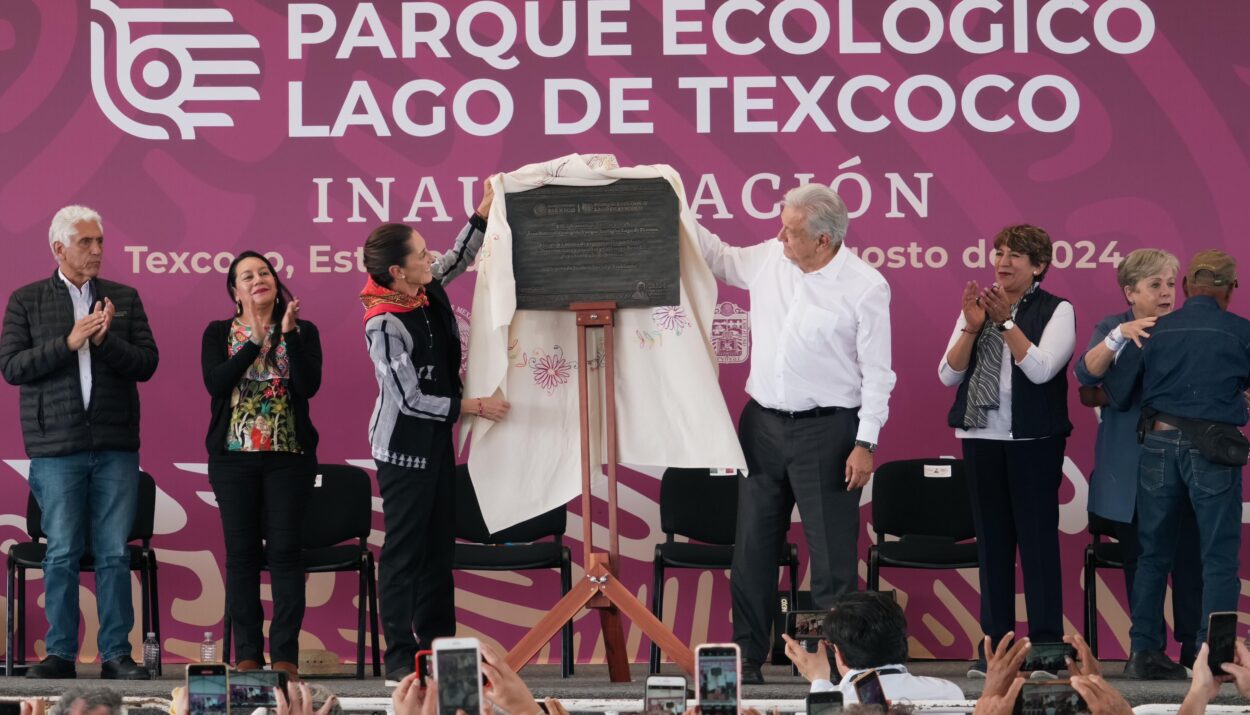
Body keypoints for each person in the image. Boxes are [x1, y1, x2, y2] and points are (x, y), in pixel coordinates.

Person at [693, 183, 896, 685]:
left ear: (823, 240)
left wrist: (865, 443)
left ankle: (836, 667)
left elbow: (878, 374)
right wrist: (672, 200)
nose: (779, 236)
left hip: (830, 432)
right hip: (761, 425)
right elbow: (717, 256)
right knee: (753, 550)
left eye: (791, 231)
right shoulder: (769, 259)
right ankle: (746, 660)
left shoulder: (865, 286)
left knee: (832, 560)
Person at [0, 205, 158, 680]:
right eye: (86, 242)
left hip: (115, 445)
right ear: (59, 248)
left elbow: (147, 364)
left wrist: (106, 340)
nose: (96, 250)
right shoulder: (25, 300)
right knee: (62, 549)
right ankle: (61, 654)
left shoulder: (123, 297)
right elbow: (12, 367)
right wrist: (69, 342)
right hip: (56, 447)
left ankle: (116, 655)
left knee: (113, 551)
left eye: (100, 242)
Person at [362, 180, 510, 684]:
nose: (432, 259)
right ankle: (401, 656)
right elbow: (408, 400)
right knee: (404, 552)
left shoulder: (423, 290)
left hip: (436, 444)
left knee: (437, 550)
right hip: (403, 451)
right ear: (397, 271)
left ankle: (439, 647)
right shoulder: (383, 323)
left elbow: (457, 258)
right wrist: (475, 406)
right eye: (421, 255)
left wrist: (481, 214)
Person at [1106, 250, 1250, 678]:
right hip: (1215, 451)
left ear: (1185, 287)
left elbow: (1116, 393)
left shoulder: (1154, 330)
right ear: (1229, 290)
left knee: (1152, 554)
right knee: (1218, 555)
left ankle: (1143, 653)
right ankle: (1215, 657)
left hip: (1157, 445)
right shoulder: (1241, 332)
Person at [938, 225, 1075, 676]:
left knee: (1036, 545)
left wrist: (1007, 323)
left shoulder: (1058, 310)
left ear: (1038, 266)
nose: (1004, 261)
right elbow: (947, 374)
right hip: (981, 439)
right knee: (992, 547)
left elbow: (1041, 371)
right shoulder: (978, 308)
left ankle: (1048, 650)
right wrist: (972, 329)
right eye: (999, 252)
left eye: (1017, 254)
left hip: (1034, 443)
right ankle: (994, 649)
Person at [1073, 248, 1201, 676]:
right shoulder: (1112, 327)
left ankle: (1193, 644)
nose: (1166, 293)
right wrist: (1121, 336)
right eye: (1155, 285)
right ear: (1131, 292)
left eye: (1170, 284)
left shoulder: (1189, 327)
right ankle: (1146, 650)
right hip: (1128, 469)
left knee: (1188, 557)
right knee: (1140, 559)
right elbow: (1086, 375)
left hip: (1183, 465)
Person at [201, 251, 322, 678]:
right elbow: (215, 383)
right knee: (242, 556)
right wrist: (253, 340)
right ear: (235, 291)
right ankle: (248, 653)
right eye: (247, 276)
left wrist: (285, 336)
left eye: (264, 272)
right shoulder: (218, 332)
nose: (258, 280)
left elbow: (308, 387)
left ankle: (285, 655)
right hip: (233, 462)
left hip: (289, 460)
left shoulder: (302, 331)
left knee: (287, 555)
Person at [784, 591, 963, 703]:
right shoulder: (948, 693)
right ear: (902, 640)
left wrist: (819, 682)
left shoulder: (833, 703)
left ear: (838, 653)